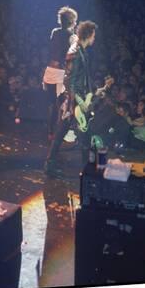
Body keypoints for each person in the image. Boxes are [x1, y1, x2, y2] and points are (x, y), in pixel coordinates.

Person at [44, 20, 97, 178]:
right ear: (88, 35)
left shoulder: (82, 51)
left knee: (62, 132)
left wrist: (91, 93)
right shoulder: (75, 52)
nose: (95, 38)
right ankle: (86, 169)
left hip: (76, 98)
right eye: (93, 35)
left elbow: (82, 77)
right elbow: (69, 80)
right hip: (74, 100)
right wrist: (78, 101)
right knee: (81, 133)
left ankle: (50, 165)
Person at [42, 6, 78, 141]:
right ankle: (60, 133)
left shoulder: (55, 32)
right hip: (61, 73)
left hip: (50, 70)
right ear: (71, 21)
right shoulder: (72, 36)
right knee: (63, 103)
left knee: (52, 103)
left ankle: (50, 132)